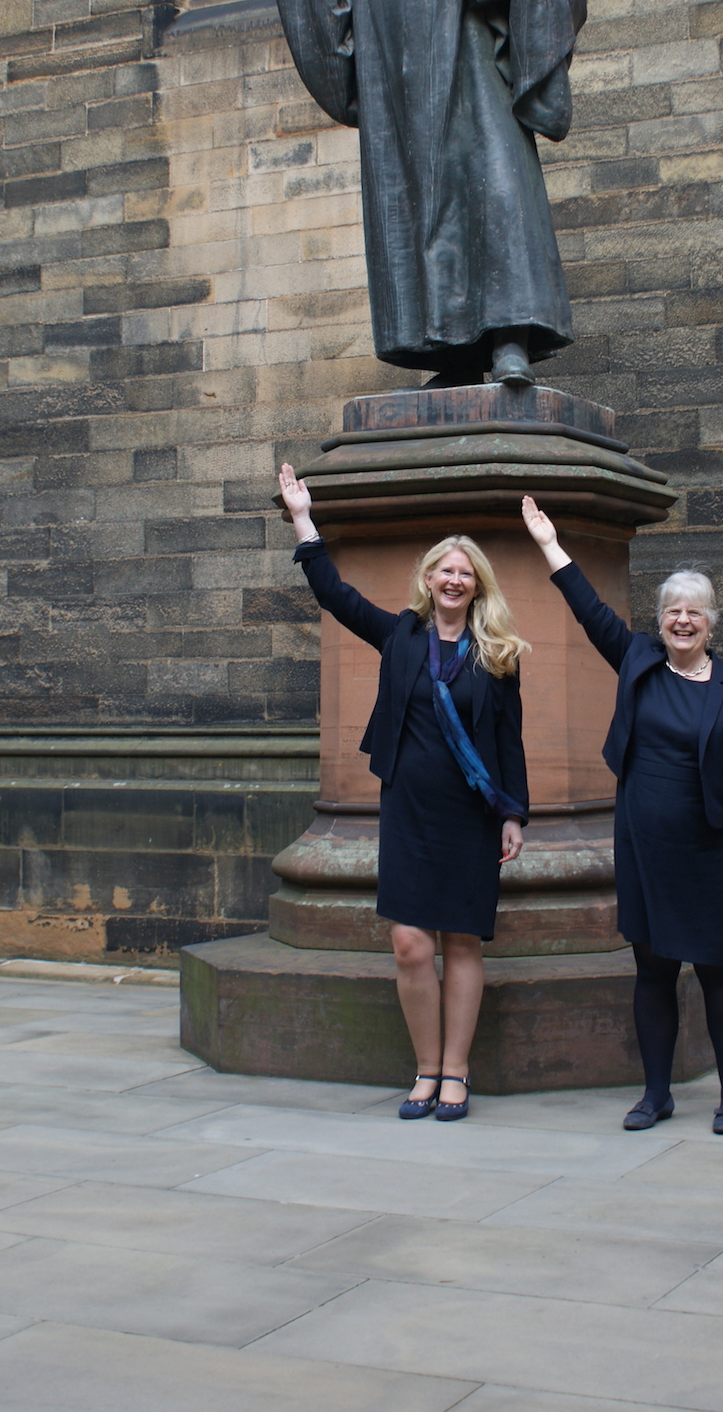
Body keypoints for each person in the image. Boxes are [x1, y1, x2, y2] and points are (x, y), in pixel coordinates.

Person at [178, 0, 585, 387]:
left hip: (481, 93)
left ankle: (509, 343)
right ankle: (453, 354)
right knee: (417, 212)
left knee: (497, 197)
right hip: (402, 104)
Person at [278, 462, 528, 1118]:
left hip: (471, 815)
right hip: (410, 811)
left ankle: (456, 1073)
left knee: (463, 942)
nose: (453, 579)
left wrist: (513, 814)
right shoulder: (399, 637)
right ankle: (423, 1069)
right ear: (427, 579)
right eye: (443, 569)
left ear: (477, 586)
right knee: (410, 942)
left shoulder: (497, 652)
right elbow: (333, 594)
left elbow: (509, 740)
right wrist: (305, 518)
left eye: (464, 571)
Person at [520, 494, 723, 1133]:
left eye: (694, 613)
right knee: (652, 969)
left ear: (712, 622)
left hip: (711, 850)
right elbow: (589, 610)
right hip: (645, 847)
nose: (681, 621)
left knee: (719, 970)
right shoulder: (638, 661)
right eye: (672, 612)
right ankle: (655, 1093)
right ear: (659, 620)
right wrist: (550, 544)